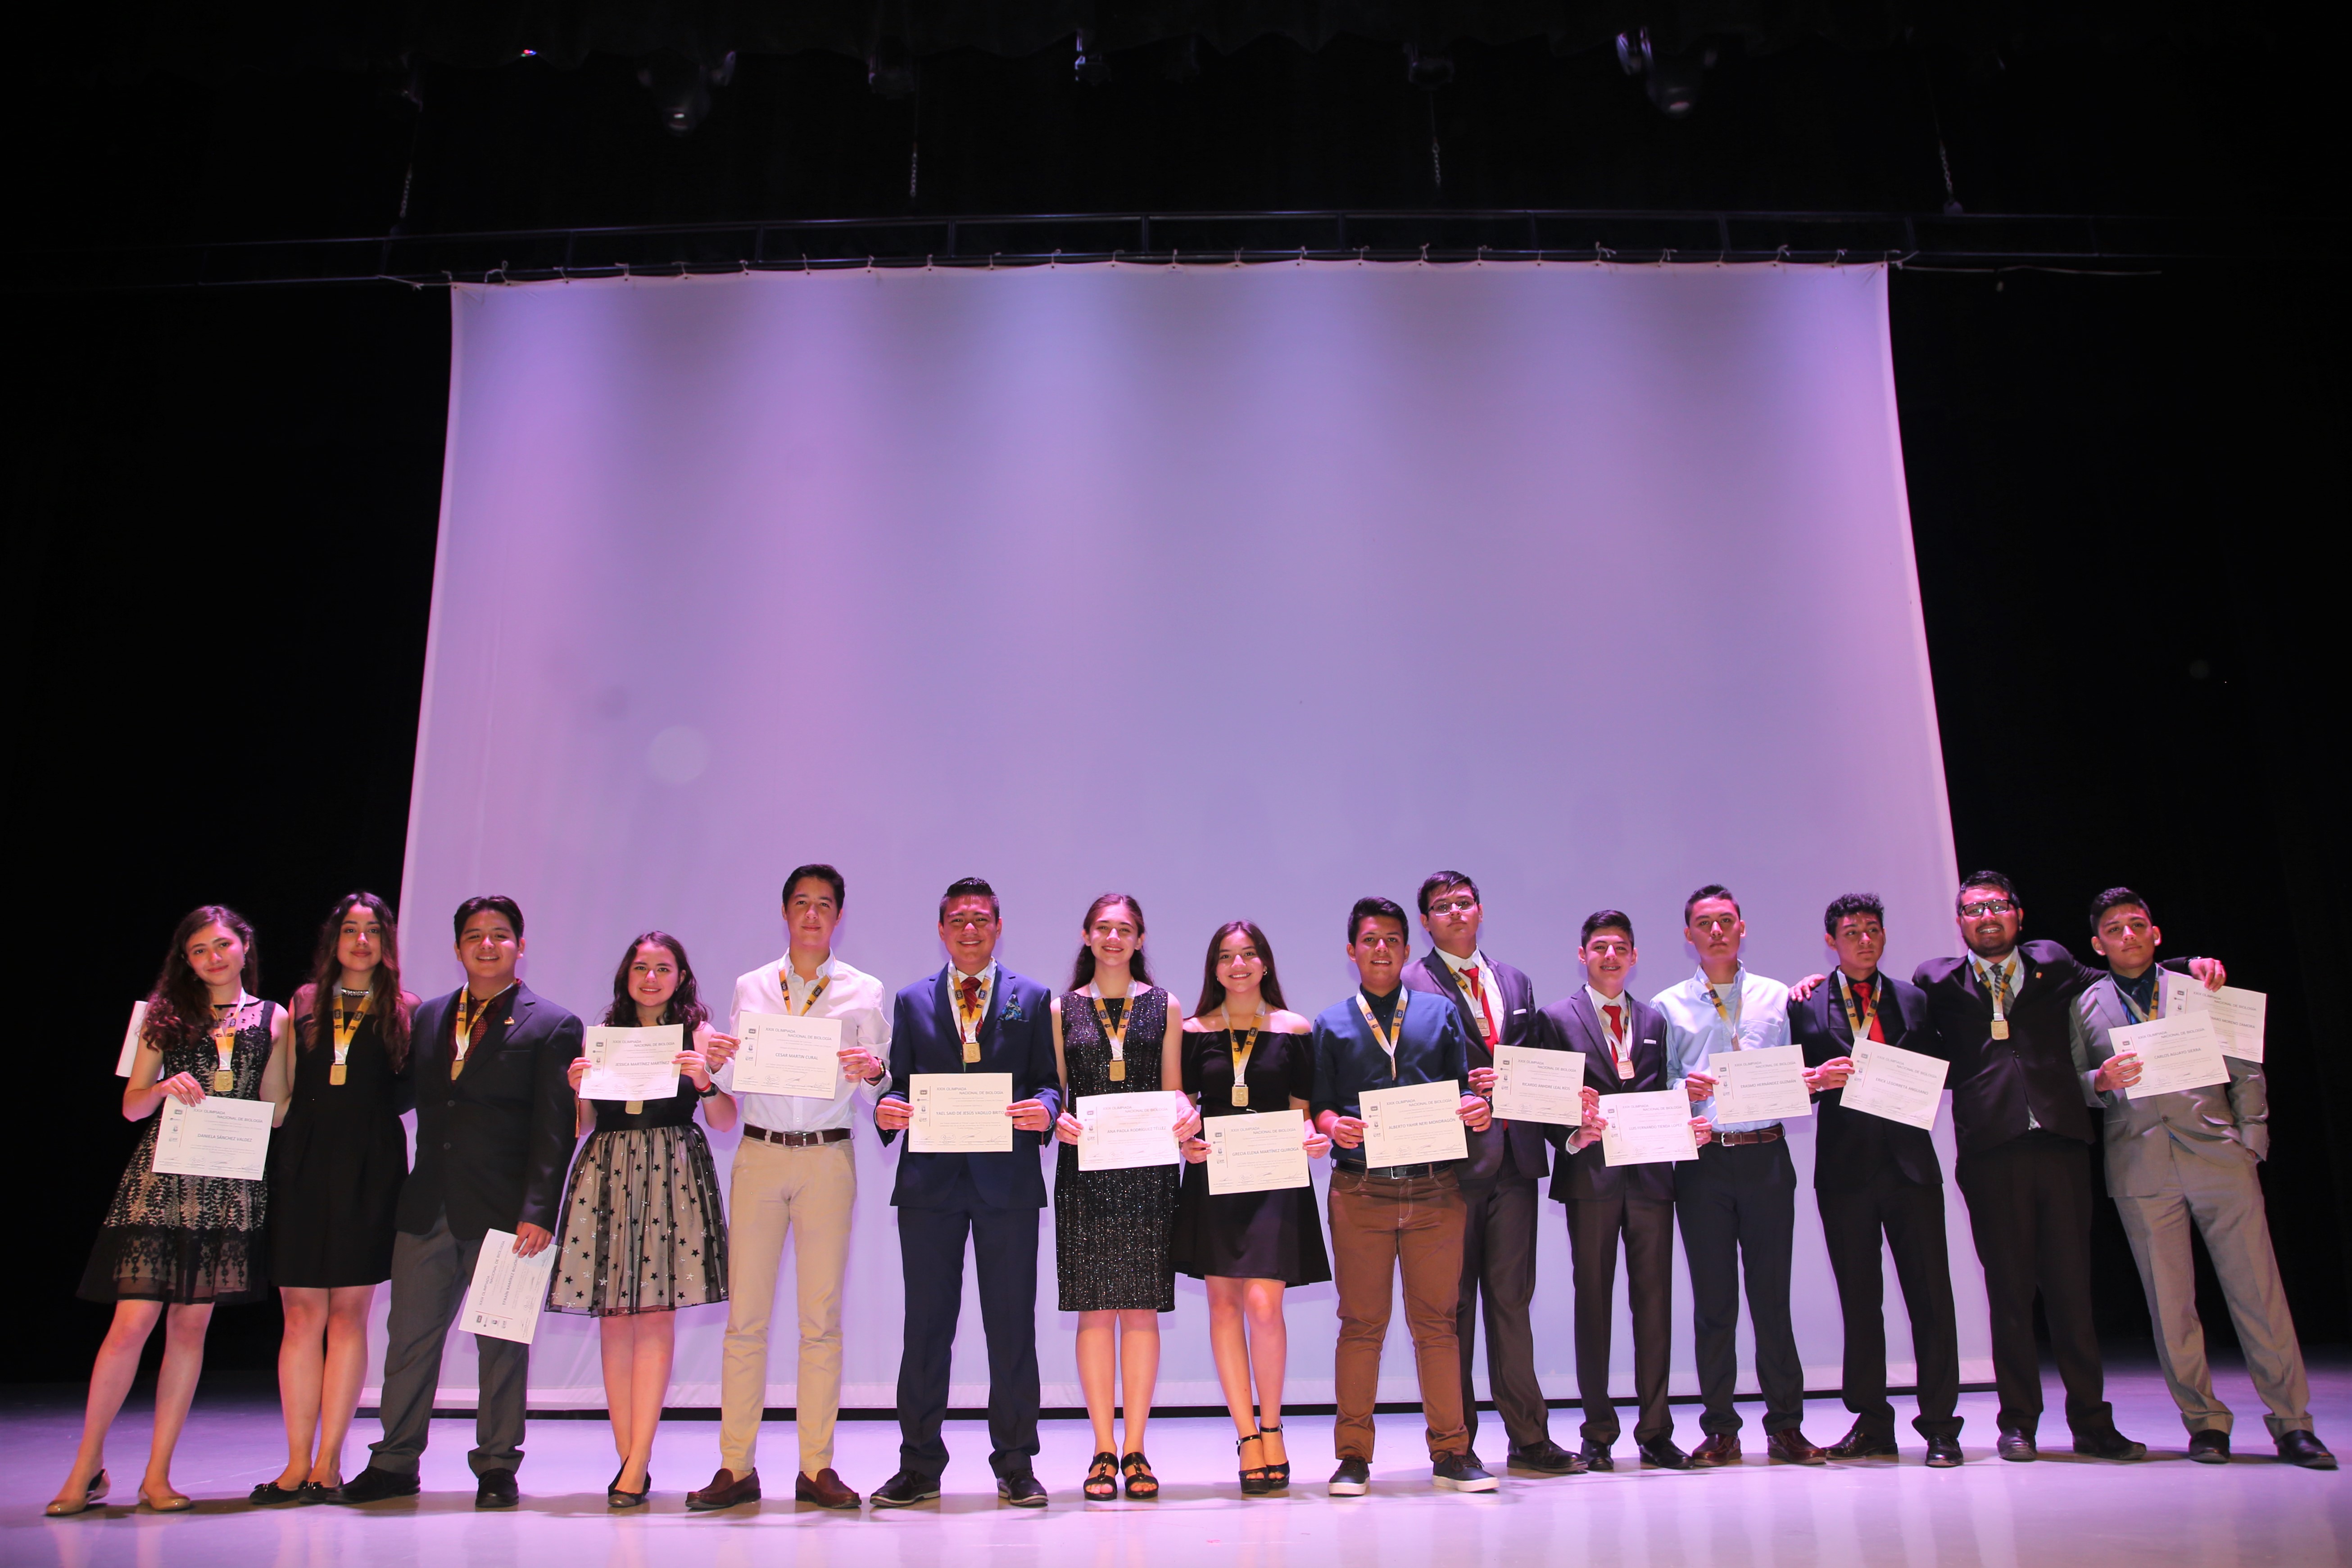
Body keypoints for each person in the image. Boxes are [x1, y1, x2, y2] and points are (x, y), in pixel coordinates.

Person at [1907, 870, 2222, 1464]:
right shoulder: (1937, 979)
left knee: (2071, 1290)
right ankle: (2017, 1422)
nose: (1986, 915)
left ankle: (2090, 1422)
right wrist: (1814, 986)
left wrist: (2186, 962)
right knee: (2007, 1293)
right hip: (1989, 1152)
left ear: (2018, 916)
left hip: (2058, 1143)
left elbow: (2119, 972)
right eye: (1973, 908)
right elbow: (1885, 1004)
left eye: (1998, 905)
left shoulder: (2052, 961)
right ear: (1959, 922)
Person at [2069, 888, 2332, 1469]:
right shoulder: (2084, 1003)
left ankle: (2291, 1422)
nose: (2127, 935)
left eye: (2137, 923)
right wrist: (2099, 1080)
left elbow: (2245, 1069)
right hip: (2139, 1165)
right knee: (2170, 1305)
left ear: (2155, 932)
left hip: (2218, 1157)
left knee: (2258, 1295)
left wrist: (2250, 1142)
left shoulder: (2199, 987)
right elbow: (2070, 1078)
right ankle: (2204, 1421)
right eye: (2113, 928)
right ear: (2097, 943)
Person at [338, 895, 583, 1509]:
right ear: (457, 947)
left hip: (508, 1214)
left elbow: (554, 1130)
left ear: (520, 945)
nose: (487, 944)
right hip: (427, 1206)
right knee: (409, 1339)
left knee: (501, 1345)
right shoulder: (426, 1017)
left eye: (500, 935)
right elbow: (400, 1094)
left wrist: (539, 1211)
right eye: (474, 935)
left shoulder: (551, 1023)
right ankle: (394, 1460)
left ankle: (497, 1466)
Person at [52, 906, 294, 1515]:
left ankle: (157, 1475)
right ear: (184, 959)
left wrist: (285, 1107)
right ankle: (87, 1466)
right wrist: (162, 1087)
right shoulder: (161, 1013)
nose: (212, 957)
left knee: (189, 1328)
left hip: (227, 1184)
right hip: (162, 1179)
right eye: (197, 949)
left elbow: (277, 1108)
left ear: (244, 946)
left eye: (221, 944)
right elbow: (131, 1106)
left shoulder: (275, 1017)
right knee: (130, 1325)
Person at [688, 864, 894, 1513]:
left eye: (824, 903)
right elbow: (733, 1077)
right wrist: (716, 1064)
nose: (812, 913)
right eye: (801, 902)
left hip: (827, 1157)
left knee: (820, 1322)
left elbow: (879, 1086)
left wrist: (874, 1070)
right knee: (745, 1319)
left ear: (838, 916)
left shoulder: (864, 989)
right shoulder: (752, 984)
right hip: (758, 1152)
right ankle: (735, 1465)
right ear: (785, 912)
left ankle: (816, 1466)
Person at [870, 877, 1061, 1508]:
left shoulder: (1031, 997)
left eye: (980, 918)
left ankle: (1015, 1462)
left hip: (1005, 1181)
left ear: (998, 925)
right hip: (930, 1183)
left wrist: (1045, 1106)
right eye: (957, 919)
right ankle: (919, 1463)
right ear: (941, 928)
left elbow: (1048, 1083)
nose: (970, 928)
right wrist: (888, 1107)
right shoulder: (910, 999)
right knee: (925, 1327)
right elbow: (897, 1083)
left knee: (1011, 1327)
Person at [1311, 896, 1497, 1497]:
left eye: (1392, 938)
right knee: (1360, 1325)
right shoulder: (1330, 1022)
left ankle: (1452, 1448)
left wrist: (1475, 1107)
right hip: (1359, 1190)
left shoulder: (1440, 1013)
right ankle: (1351, 1456)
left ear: (1406, 946)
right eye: (1369, 939)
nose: (1381, 948)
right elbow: (1321, 1102)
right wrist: (1330, 1122)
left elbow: (1463, 1091)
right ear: (1351, 950)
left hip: (1434, 1187)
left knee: (1436, 1325)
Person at [548, 931, 736, 1507]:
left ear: (681, 976)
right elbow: (582, 1124)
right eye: (641, 967)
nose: (650, 978)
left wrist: (704, 1079)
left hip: (671, 1172)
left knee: (654, 1317)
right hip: (608, 1170)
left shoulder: (698, 1034)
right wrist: (576, 1090)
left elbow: (727, 1120)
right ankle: (629, 1456)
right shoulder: (602, 1038)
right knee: (613, 1316)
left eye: (663, 968)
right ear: (626, 975)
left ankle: (638, 1461)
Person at [1400, 872, 1578, 1477]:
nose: (1453, 912)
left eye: (1462, 902)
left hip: (1515, 1162)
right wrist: (1458, 1088)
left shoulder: (1515, 980)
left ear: (1479, 908)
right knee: (1451, 1309)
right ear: (1424, 920)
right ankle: (1456, 1440)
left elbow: (1533, 1066)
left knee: (1511, 1301)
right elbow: (1406, 1074)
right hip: (1450, 1165)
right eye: (1439, 907)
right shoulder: (1409, 983)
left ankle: (1529, 1437)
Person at [1785, 894, 1962, 1467]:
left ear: (1884, 937)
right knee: (1861, 1302)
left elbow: (1942, 1071)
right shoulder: (1806, 1004)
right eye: (1850, 931)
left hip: (1910, 1167)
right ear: (1831, 941)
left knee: (1931, 1297)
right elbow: (1786, 1080)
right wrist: (1813, 1079)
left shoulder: (1913, 997)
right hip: (1843, 1172)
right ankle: (1873, 1421)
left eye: (1872, 930)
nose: (1863, 939)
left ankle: (1940, 1425)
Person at [1531, 910, 1710, 1472]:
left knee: (1655, 1304)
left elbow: (1660, 1092)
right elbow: (1542, 1098)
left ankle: (1656, 1431)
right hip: (1591, 1177)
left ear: (1635, 957)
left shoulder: (1654, 1019)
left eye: (1621, 948)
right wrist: (1571, 1134)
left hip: (1653, 1178)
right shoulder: (1556, 1018)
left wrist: (1688, 1120)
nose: (1611, 956)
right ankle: (1598, 1431)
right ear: (1582, 955)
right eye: (1600, 947)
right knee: (1595, 1303)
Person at [256, 893, 418, 1505]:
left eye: (372, 929)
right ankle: (296, 1461)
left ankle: (329, 1461)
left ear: (386, 941)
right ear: (334, 939)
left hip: (372, 1164)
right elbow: (284, 1087)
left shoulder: (408, 1008)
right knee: (300, 1315)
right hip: (302, 1158)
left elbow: (407, 1092)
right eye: (349, 929)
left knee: (349, 1314)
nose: (360, 940)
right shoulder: (302, 1001)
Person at [1656, 885, 1824, 1465]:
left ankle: (1786, 1426)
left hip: (1767, 1158)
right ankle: (1721, 1429)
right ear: (1689, 936)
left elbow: (1805, 1065)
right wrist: (1683, 1091)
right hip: (1703, 1163)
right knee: (1714, 1303)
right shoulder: (1666, 1006)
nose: (1717, 932)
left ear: (1743, 927)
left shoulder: (1780, 997)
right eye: (1705, 924)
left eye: (1726, 921)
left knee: (1771, 1299)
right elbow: (1660, 1085)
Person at [1172, 921, 1332, 1495]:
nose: (1238, 965)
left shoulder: (1295, 1030)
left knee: (1264, 1306)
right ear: (1214, 969)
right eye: (1226, 956)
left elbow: (1304, 1110)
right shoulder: (1191, 1031)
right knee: (1223, 1306)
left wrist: (1314, 1134)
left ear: (1265, 963)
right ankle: (1246, 1437)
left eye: (1248, 954)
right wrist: (1184, 1140)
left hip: (1274, 1180)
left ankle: (1272, 1425)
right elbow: (1181, 1107)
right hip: (1215, 1178)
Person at [1049, 894, 1199, 1500]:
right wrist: (1055, 1118)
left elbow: (1173, 1090)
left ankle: (1135, 1446)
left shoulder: (1165, 1005)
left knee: (1139, 1309)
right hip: (1084, 1168)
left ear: (1139, 938)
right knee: (1093, 1310)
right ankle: (1101, 1448)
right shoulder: (1061, 1008)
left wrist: (1188, 1113)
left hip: (1147, 1171)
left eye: (1125, 928)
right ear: (1086, 935)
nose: (1113, 937)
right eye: (1103, 927)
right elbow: (1054, 1093)